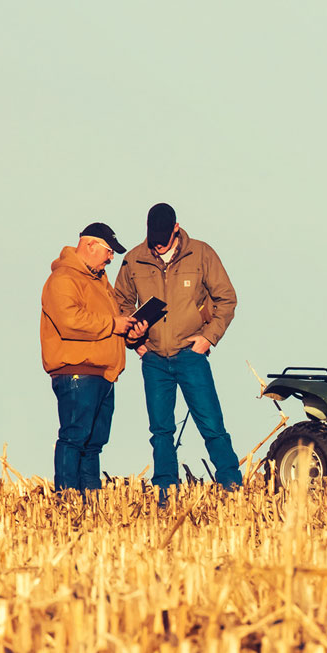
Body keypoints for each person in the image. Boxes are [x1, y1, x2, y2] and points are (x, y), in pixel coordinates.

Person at [114, 202, 243, 492]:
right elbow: (121, 303)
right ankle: (165, 489)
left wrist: (209, 337)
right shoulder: (134, 259)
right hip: (154, 359)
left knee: (211, 423)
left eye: (164, 237)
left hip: (191, 356)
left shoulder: (201, 254)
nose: (158, 244)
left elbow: (226, 299)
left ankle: (231, 484)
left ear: (176, 228)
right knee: (161, 430)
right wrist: (135, 342)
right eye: (153, 237)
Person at [40, 222, 144, 493]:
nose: (111, 258)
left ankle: (90, 501)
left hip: (103, 373)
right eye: (109, 251)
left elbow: (111, 324)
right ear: (89, 245)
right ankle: (68, 499)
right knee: (74, 438)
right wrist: (114, 324)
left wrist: (130, 331)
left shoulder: (99, 283)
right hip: (78, 371)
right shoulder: (63, 279)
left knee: (93, 443)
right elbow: (69, 320)